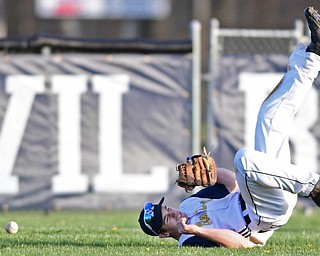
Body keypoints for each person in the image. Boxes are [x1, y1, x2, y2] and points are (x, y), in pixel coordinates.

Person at [138, 6, 320, 248]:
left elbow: (231, 184)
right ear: (163, 233)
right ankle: (314, 186)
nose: (172, 213)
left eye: (167, 209)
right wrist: (196, 230)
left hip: (261, 192)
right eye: (167, 218)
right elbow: (242, 245)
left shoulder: (188, 205)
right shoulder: (189, 240)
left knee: (270, 115)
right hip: (261, 216)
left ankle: (312, 55)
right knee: (244, 158)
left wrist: (210, 176)